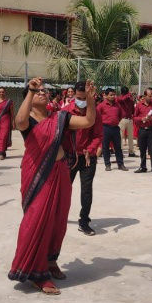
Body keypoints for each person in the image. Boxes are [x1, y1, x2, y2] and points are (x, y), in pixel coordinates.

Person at [7, 77, 97, 296]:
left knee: (58, 219)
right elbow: (19, 122)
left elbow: (88, 122)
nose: (42, 93)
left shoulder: (59, 118)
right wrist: (30, 90)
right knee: (37, 219)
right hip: (37, 175)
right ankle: (36, 272)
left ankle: (50, 261)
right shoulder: (27, 119)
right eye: (38, 91)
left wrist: (91, 99)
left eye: (44, 91)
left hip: (60, 172)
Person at [63, 81, 103, 235]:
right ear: (73, 95)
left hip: (87, 157)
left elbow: (98, 135)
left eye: (85, 98)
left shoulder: (94, 113)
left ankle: (84, 221)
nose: (81, 101)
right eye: (79, 97)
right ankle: (59, 216)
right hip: (70, 157)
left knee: (86, 190)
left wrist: (91, 149)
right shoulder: (66, 112)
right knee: (64, 189)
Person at [98, 88, 128, 172]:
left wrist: (115, 121)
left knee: (118, 147)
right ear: (106, 95)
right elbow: (97, 115)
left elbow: (121, 114)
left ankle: (120, 164)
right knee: (105, 147)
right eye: (111, 95)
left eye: (114, 95)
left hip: (115, 128)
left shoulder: (117, 105)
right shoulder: (102, 105)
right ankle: (107, 164)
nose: (113, 96)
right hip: (105, 128)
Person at [133, 87, 152, 174]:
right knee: (142, 149)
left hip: (151, 130)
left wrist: (151, 118)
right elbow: (134, 117)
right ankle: (143, 167)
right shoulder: (139, 105)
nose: (151, 98)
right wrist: (142, 119)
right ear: (144, 96)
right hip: (142, 130)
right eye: (149, 96)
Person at [0, 87, 14, 160]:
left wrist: (13, 122)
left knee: (3, 136)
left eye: (3, 92)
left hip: (6, 121)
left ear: (5, 92)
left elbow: (12, 113)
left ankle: (1, 153)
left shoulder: (9, 102)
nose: (1, 93)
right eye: (0, 92)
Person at [116, 85, 136, 158]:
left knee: (130, 136)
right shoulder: (120, 98)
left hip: (129, 118)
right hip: (122, 119)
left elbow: (132, 107)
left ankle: (131, 152)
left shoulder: (130, 99)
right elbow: (121, 100)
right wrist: (128, 94)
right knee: (120, 136)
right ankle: (120, 152)